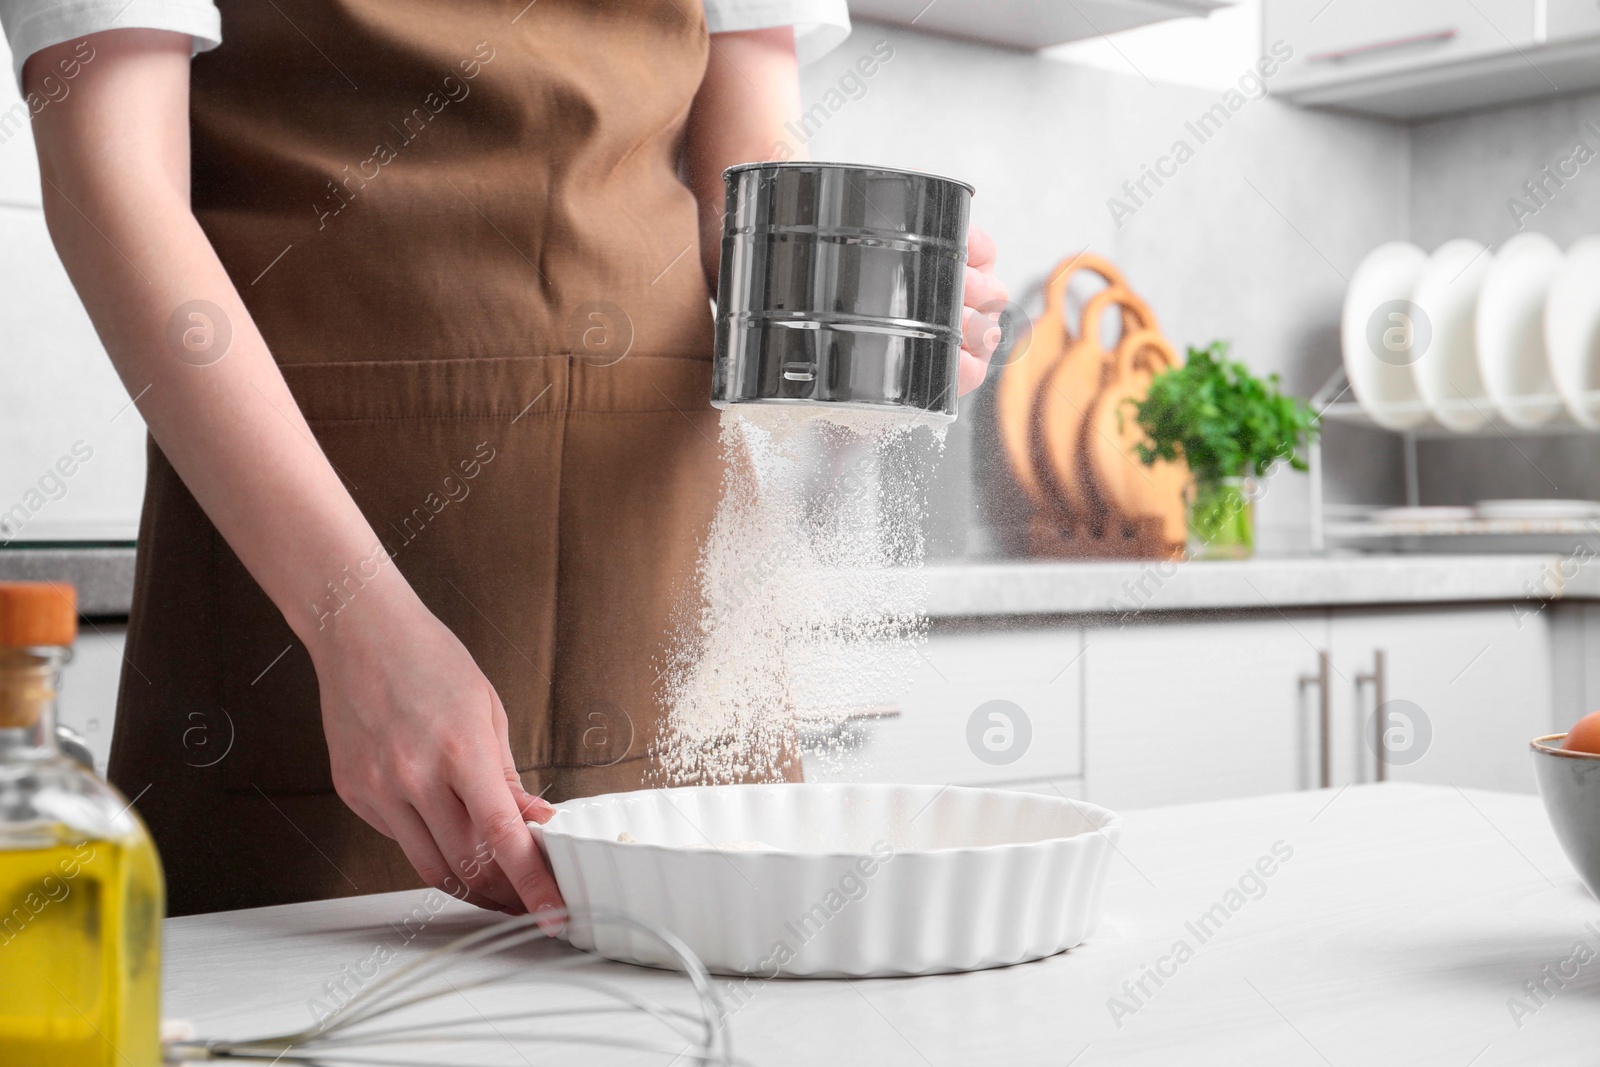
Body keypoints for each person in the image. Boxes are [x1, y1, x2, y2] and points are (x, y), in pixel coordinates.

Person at [5, 0, 1008, 917]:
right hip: (309, 593)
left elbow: (745, 161)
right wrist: (352, 620)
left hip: (664, 582)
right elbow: (113, 184)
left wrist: (850, 323)